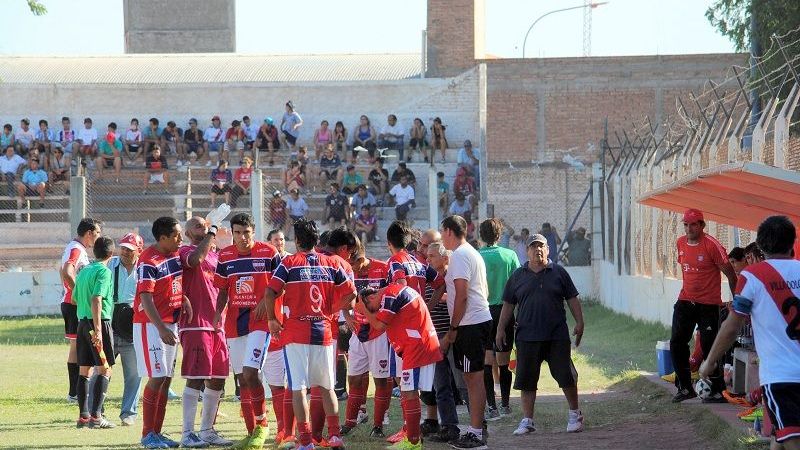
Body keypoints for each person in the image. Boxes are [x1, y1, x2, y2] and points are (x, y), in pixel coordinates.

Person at [698, 215, 800, 450]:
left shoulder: (752, 277)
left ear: (761, 247)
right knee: (779, 438)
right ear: (792, 243)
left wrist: (710, 361)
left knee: (793, 440)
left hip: (781, 378)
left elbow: (732, 326)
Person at [261, 218, 357, 450]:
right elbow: (351, 293)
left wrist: (273, 320)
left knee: (298, 389)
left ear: (296, 240)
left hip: (296, 334)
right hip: (323, 332)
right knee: (326, 388)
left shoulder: (290, 263)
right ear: (316, 239)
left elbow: (270, 292)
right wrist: (331, 310)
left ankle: (305, 441)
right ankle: (334, 436)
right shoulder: (331, 263)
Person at [497, 233, 585, 436]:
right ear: (526, 251)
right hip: (527, 336)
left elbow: (572, 299)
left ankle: (575, 414)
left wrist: (580, 322)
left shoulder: (559, 273)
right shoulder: (518, 275)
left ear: (548, 250)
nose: (537, 249)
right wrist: (501, 329)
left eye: (541, 246)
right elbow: (508, 304)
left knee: (566, 375)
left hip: (556, 335)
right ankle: (527, 420)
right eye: (533, 246)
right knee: (526, 379)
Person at [213, 213, 280, 449]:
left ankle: (262, 425)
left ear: (254, 231)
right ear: (232, 233)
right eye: (237, 233)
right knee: (242, 379)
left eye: (246, 232)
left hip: (260, 322)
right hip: (234, 323)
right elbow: (222, 290)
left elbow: (282, 283)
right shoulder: (226, 256)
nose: (242, 237)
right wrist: (216, 314)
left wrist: (267, 298)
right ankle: (252, 433)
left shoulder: (269, 252)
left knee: (252, 373)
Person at [359, 283, 442, 450]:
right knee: (408, 391)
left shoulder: (390, 294)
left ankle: (413, 441)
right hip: (417, 344)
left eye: (372, 308)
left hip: (416, 346)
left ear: (371, 297)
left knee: (409, 392)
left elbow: (379, 325)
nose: (375, 312)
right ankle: (412, 437)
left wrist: (363, 309)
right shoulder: (392, 293)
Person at [669, 209, 737, 403]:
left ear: (701, 225)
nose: (689, 228)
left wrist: (738, 303)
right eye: (686, 224)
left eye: (693, 224)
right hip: (685, 300)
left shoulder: (712, 245)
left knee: (710, 346)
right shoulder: (680, 242)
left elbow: (731, 275)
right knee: (677, 342)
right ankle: (684, 388)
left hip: (708, 304)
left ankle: (717, 390)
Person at [133, 216, 190, 449]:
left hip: (170, 324)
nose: (180, 238)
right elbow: (145, 298)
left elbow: (169, 285)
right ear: (163, 238)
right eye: (176, 235)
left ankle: (157, 432)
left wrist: (183, 298)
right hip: (151, 326)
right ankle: (147, 434)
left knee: (166, 380)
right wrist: (161, 328)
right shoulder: (148, 260)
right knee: (156, 378)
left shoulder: (174, 254)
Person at [178, 217, 234, 447]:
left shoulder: (216, 254)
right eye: (198, 226)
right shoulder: (185, 251)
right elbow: (195, 259)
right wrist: (211, 233)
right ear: (188, 233)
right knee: (196, 377)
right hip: (196, 323)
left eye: (205, 225)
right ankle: (187, 433)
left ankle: (207, 430)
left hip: (217, 324)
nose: (203, 229)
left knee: (218, 379)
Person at [439, 214, 493, 449]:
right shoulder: (471, 253)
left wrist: (453, 328)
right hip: (474, 321)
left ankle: (476, 433)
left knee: (473, 378)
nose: (442, 237)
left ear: (450, 231)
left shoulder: (460, 255)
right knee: (472, 378)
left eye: (443, 232)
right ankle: (476, 430)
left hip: (470, 324)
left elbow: (461, 295)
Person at [340, 242, 391, 438]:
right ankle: (350, 421)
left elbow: (392, 296)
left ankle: (378, 426)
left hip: (379, 334)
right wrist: (347, 315)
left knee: (380, 381)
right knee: (353, 378)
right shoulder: (348, 270)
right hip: (358, 333)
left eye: (353, 264)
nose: (351, 269)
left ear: (360, 260)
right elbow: (344, 295)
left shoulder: (383, 269)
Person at [425, 241, 469, 443]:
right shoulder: (427, 280)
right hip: (435, 339)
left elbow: (461, 298)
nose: (428, 260)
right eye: (427, 256)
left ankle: (479, 425)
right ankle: (449, 427)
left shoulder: (452, 277)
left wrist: (442, 297)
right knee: (441, 385)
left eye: (432, 256)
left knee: (463, 383)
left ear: (445, 258)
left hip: (454, 335)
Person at [73, 235, 117, 429]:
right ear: (111, 253)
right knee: (105, 369)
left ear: (94, 251)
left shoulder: (83, 271)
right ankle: (97, 417)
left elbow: (74, 299)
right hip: (98, 324)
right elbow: (97, 299)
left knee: (84, 371)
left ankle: (83, 417)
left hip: (81, 324)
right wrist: (98, 329)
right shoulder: (104, 272)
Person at [478, 218, 520, 418]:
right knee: (503, 361)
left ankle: (491, 407)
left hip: (483, 313)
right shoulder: (510, 255)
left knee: (487, 361)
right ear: (499, 234)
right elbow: (518, 286)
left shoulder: (477, 256)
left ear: (481, 235)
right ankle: (505, 404)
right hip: (506, 312)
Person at [61, 218, 103, 403]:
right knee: (82, 348)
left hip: (70, 303)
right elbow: (66, 270)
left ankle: (75, 393)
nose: (98, 236)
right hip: (74, 305)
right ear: (89, 233)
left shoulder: (74, 248)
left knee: (76, 348)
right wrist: (78, 296)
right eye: (97, 232)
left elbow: (64, 270)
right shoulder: (77, 249)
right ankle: (77, 393)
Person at [108, 233, 144, 426]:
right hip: (110, 324)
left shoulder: (144, 268)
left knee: (133, 374)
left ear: (139, 251)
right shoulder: (109, 264)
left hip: (133, 327)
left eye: (129, 249)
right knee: (101, 370)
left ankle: (128, 413)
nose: (125, 252)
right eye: (123, 248)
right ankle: (95, 410)